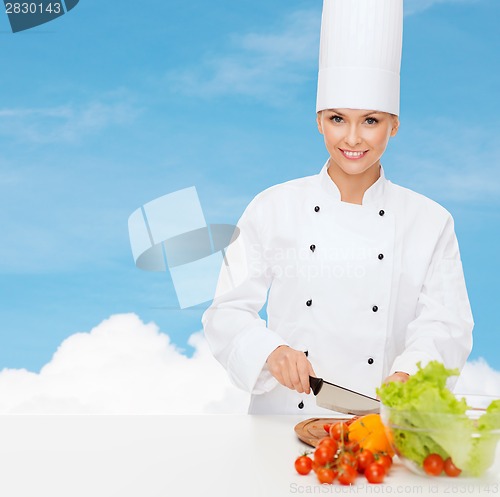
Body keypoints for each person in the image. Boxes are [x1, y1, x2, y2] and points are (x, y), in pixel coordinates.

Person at [202, 0, 473, 414]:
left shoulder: (430, 222)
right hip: (282, 423)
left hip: (379, 424)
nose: (352, 139)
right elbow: (227, 312)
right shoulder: (273, 206)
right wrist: (271, 351)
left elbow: (446, 323)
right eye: (336, 119)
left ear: (394, 124)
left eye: (370, 121)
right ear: (318, 120)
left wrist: (412, 373)